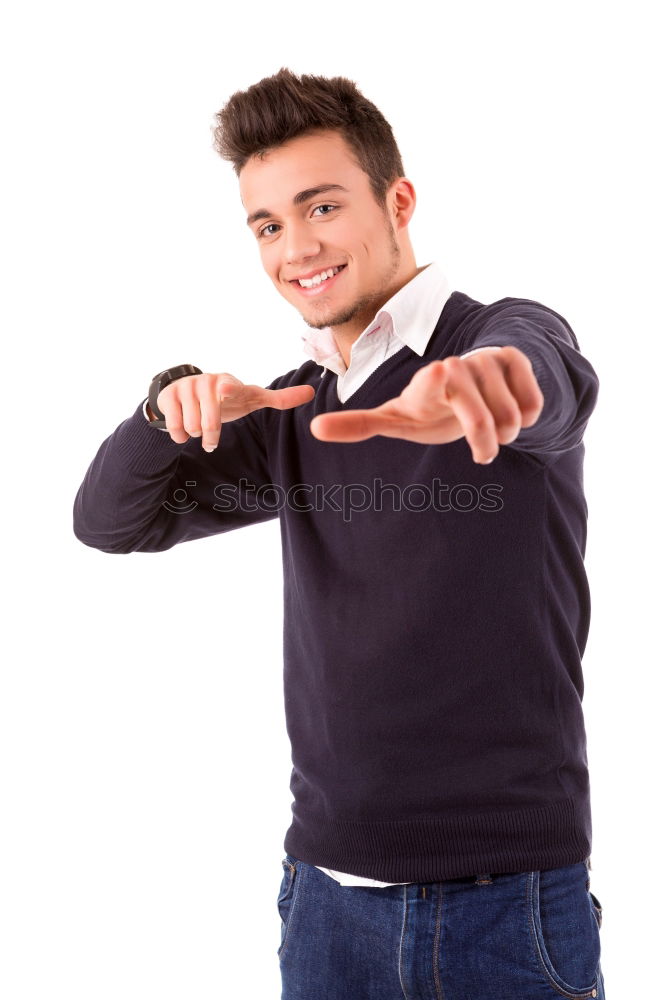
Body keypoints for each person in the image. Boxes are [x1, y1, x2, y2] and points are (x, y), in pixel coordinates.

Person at [73, 67, 605, 999]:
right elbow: (111, 521)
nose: (296, 248)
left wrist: (490, 380)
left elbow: (548, 380)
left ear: (398, 201)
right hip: (325, 911)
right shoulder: (298, 410)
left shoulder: (500, 336)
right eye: (269, 225)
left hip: (507, 912)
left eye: (321, 207)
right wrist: (164, 407)